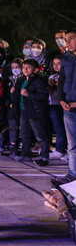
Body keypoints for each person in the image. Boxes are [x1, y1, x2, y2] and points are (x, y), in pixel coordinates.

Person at [13, 59, 50, 165]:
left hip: (35, 110)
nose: (25, 69)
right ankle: (25, 154)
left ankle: (44, 157)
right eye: (24, 67)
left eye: (28, 67)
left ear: (35, 69)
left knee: (40, 134)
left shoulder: (39, 81)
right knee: (24, 133)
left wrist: (29, 95)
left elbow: (43, 96)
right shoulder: (21, 80)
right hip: (24, 110)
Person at [55, 29, 76, 185]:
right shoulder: (66, 59)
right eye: (66, 39)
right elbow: (61, 81)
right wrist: (61, 100)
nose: (67, 43)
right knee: (72, 145)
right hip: (68, 108)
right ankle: (72, 175)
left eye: (71, 39)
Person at [48, 57, 67, 159]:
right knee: (57, 127)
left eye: (59, 63)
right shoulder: (52, 76)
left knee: (63, 128)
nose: (56, 66)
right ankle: (60, 148)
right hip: (53, 103)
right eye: (54, 63)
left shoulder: (66, 76)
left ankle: (62, 149)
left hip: (63, 104)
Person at [7, 59, 24, 155]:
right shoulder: (9, 79)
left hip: (22, 107)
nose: (15, 69)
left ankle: (25, 146)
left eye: (17, 67)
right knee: (13, 127)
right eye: (13, 68)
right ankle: (13, 145)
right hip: (12, 108)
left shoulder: (24, 79)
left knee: (23, 128)